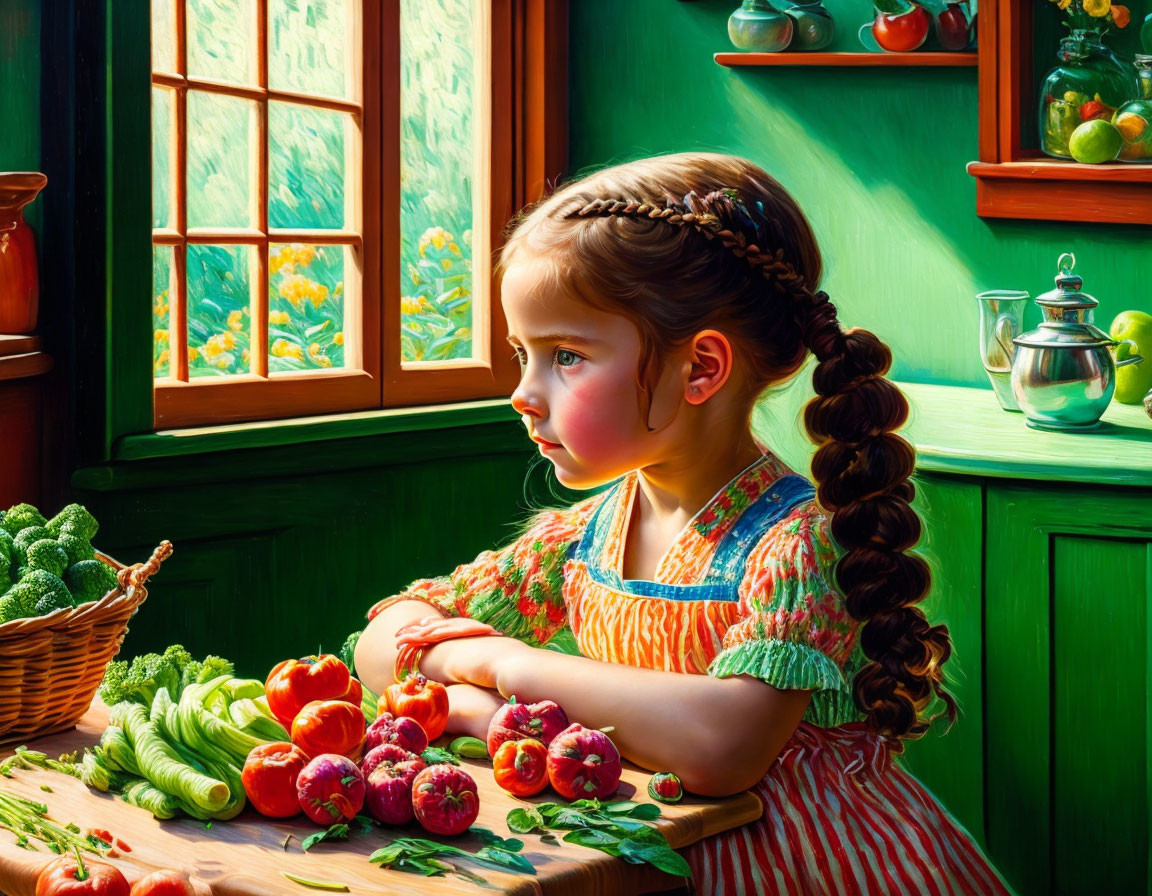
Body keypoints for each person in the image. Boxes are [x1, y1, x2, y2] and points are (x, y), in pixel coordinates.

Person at [354, 152, 1013, 895]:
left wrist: (509, 665)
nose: (523, 394)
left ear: (701, 368)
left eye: (565, 356)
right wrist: (485, 716)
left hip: (786, 863)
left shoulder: (792, 544)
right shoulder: (582, 536)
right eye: (521, 355)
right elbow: (384, 643)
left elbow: (721, 745)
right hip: (626, 853)